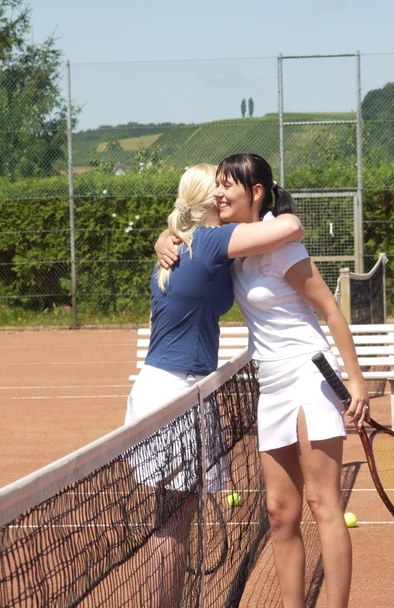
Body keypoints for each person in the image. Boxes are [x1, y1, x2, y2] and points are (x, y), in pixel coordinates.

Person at [156, 153, 369, 608]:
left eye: (227, 186)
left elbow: (330, 311)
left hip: (309, 377)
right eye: (216, 185)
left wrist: (357, 381)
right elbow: (189, 235)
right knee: (279, 512)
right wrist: (165, 237)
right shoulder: (236, 248)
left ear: (255, 193)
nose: (218, 193)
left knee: (322, 503)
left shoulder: (282, 248)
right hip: (269, 386)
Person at [125, 162, 304, 608]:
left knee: (171, 521)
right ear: (208, 202)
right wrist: (285, 212)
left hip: (169, 389)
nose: (226, 195)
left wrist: (162, 237)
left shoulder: (182, 245)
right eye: (220, 189)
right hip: (177, 394)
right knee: (172, 525)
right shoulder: (207, 242)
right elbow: (288, 229)